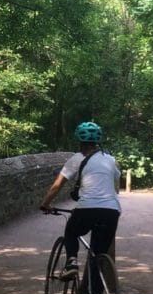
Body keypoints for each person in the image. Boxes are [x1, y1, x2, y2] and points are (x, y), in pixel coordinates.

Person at [39, 121, 121, 283]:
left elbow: (56, 186)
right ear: (98, 141)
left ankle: (71, 263)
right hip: (111, 211)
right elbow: (115, 183)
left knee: (71, 231)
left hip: (87, 209)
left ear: (79, 141)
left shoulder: (76, 159)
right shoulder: (110, 159)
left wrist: (45, 204)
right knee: (98, 256)